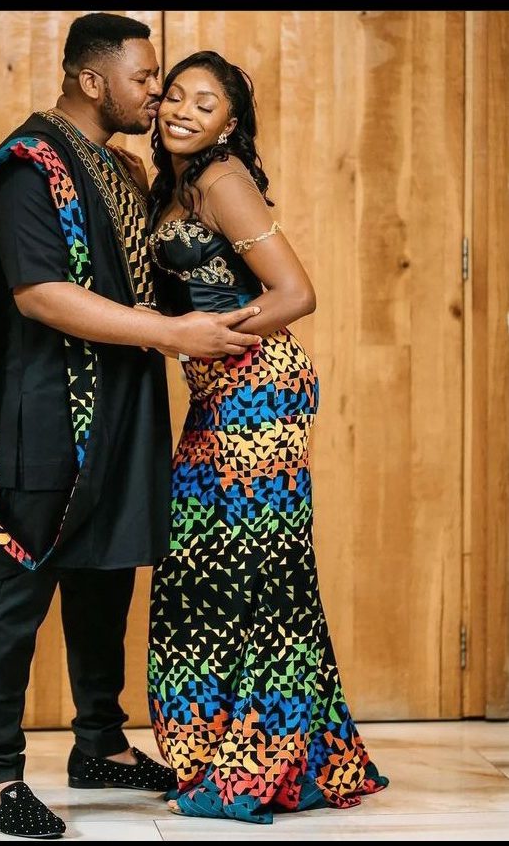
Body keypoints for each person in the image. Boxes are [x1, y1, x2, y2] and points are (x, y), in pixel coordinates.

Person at [0, 16, 262, 841]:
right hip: (46, 409)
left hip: (121, 407)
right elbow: (40, 294)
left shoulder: (119, 166)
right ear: (93, 81)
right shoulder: (28, 165)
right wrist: (171, 333)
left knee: (105, 575)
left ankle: (100, 743)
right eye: (144, 78)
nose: (157, 92)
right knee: (18, 586)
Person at [142, 51, 390, 824]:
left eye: (205, 103)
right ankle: (254, 754)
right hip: (217, 396)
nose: (183, 110)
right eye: (175, 95)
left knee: (258, 577)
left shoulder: (223, 181)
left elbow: (296, 292)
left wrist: (209, 334)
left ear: (229, 124)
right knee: (203, 570)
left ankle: (257, 766)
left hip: (261, 390)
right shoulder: (172, 185)